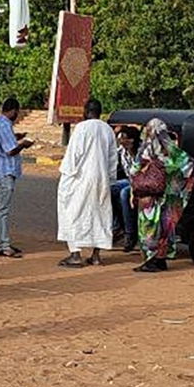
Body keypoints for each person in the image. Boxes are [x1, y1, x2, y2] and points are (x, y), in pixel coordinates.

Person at [56, 98, 118, 268]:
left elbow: (73, 157)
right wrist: (109, 178)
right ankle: (96, 255)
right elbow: (113, 159)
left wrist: (66, 177)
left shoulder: (82, 128)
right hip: (102, 178)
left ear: (86, 111)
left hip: (80, 179)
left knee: (72, 212)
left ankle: (75, 254)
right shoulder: (107, 130)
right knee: (100, 214)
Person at [131, 118, 194, 273]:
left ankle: (150, 261)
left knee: (148, 227)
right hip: (167, 197)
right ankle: (161, 260)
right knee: (165, 228)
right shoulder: (173, 151)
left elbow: (134, 169)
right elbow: (188, 164)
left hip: (149, 197)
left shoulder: (146, 149)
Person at [0, 97, 32, 258]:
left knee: (1, 209)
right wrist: (23, 144)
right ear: (13, 111)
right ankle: (4, 245)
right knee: (2, 210)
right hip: (3, 171)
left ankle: (4, 241)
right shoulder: (4, 125)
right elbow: (10, 150)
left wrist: (17, 137)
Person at [110, 126, 140, 252]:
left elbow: (139, 174)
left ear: (132, 140)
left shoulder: (142, 152)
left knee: (124, 193)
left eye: (124, 138)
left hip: (141, 181)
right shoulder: (122, 151)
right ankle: (117, 225)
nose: (121, 140)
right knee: (110, 189)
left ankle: (130, 233)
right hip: (129, 179)